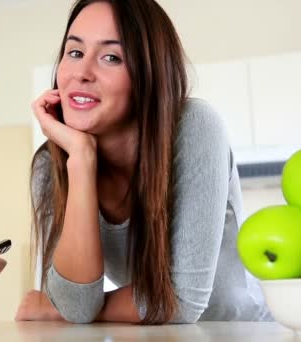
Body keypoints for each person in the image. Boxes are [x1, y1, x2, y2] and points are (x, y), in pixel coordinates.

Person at [15, 0, 273, 324]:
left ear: (148, 75)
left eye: (111, 57)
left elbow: (182, 300)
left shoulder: (194, 127)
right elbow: (79, 306)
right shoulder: (52, 165)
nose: (82, 73)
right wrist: (81, 157)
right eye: (75, 52)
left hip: (241, 332)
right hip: (155, 334)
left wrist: (56, 308)